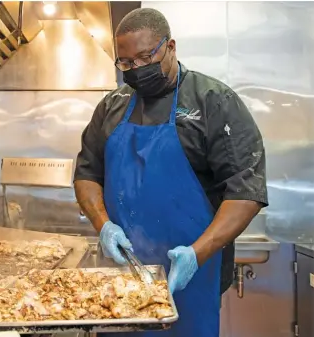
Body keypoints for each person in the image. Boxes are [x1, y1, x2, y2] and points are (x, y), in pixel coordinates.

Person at [74, 7, 268, 337]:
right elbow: (87, 173)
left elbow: (245, 192)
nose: (136, 69)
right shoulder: (111, 106)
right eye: (126, 63)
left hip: (192, 278)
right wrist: (103, 225)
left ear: (170, 46)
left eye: (145, 57)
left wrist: (197, 253)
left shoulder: (213, 102)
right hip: (120, 283)